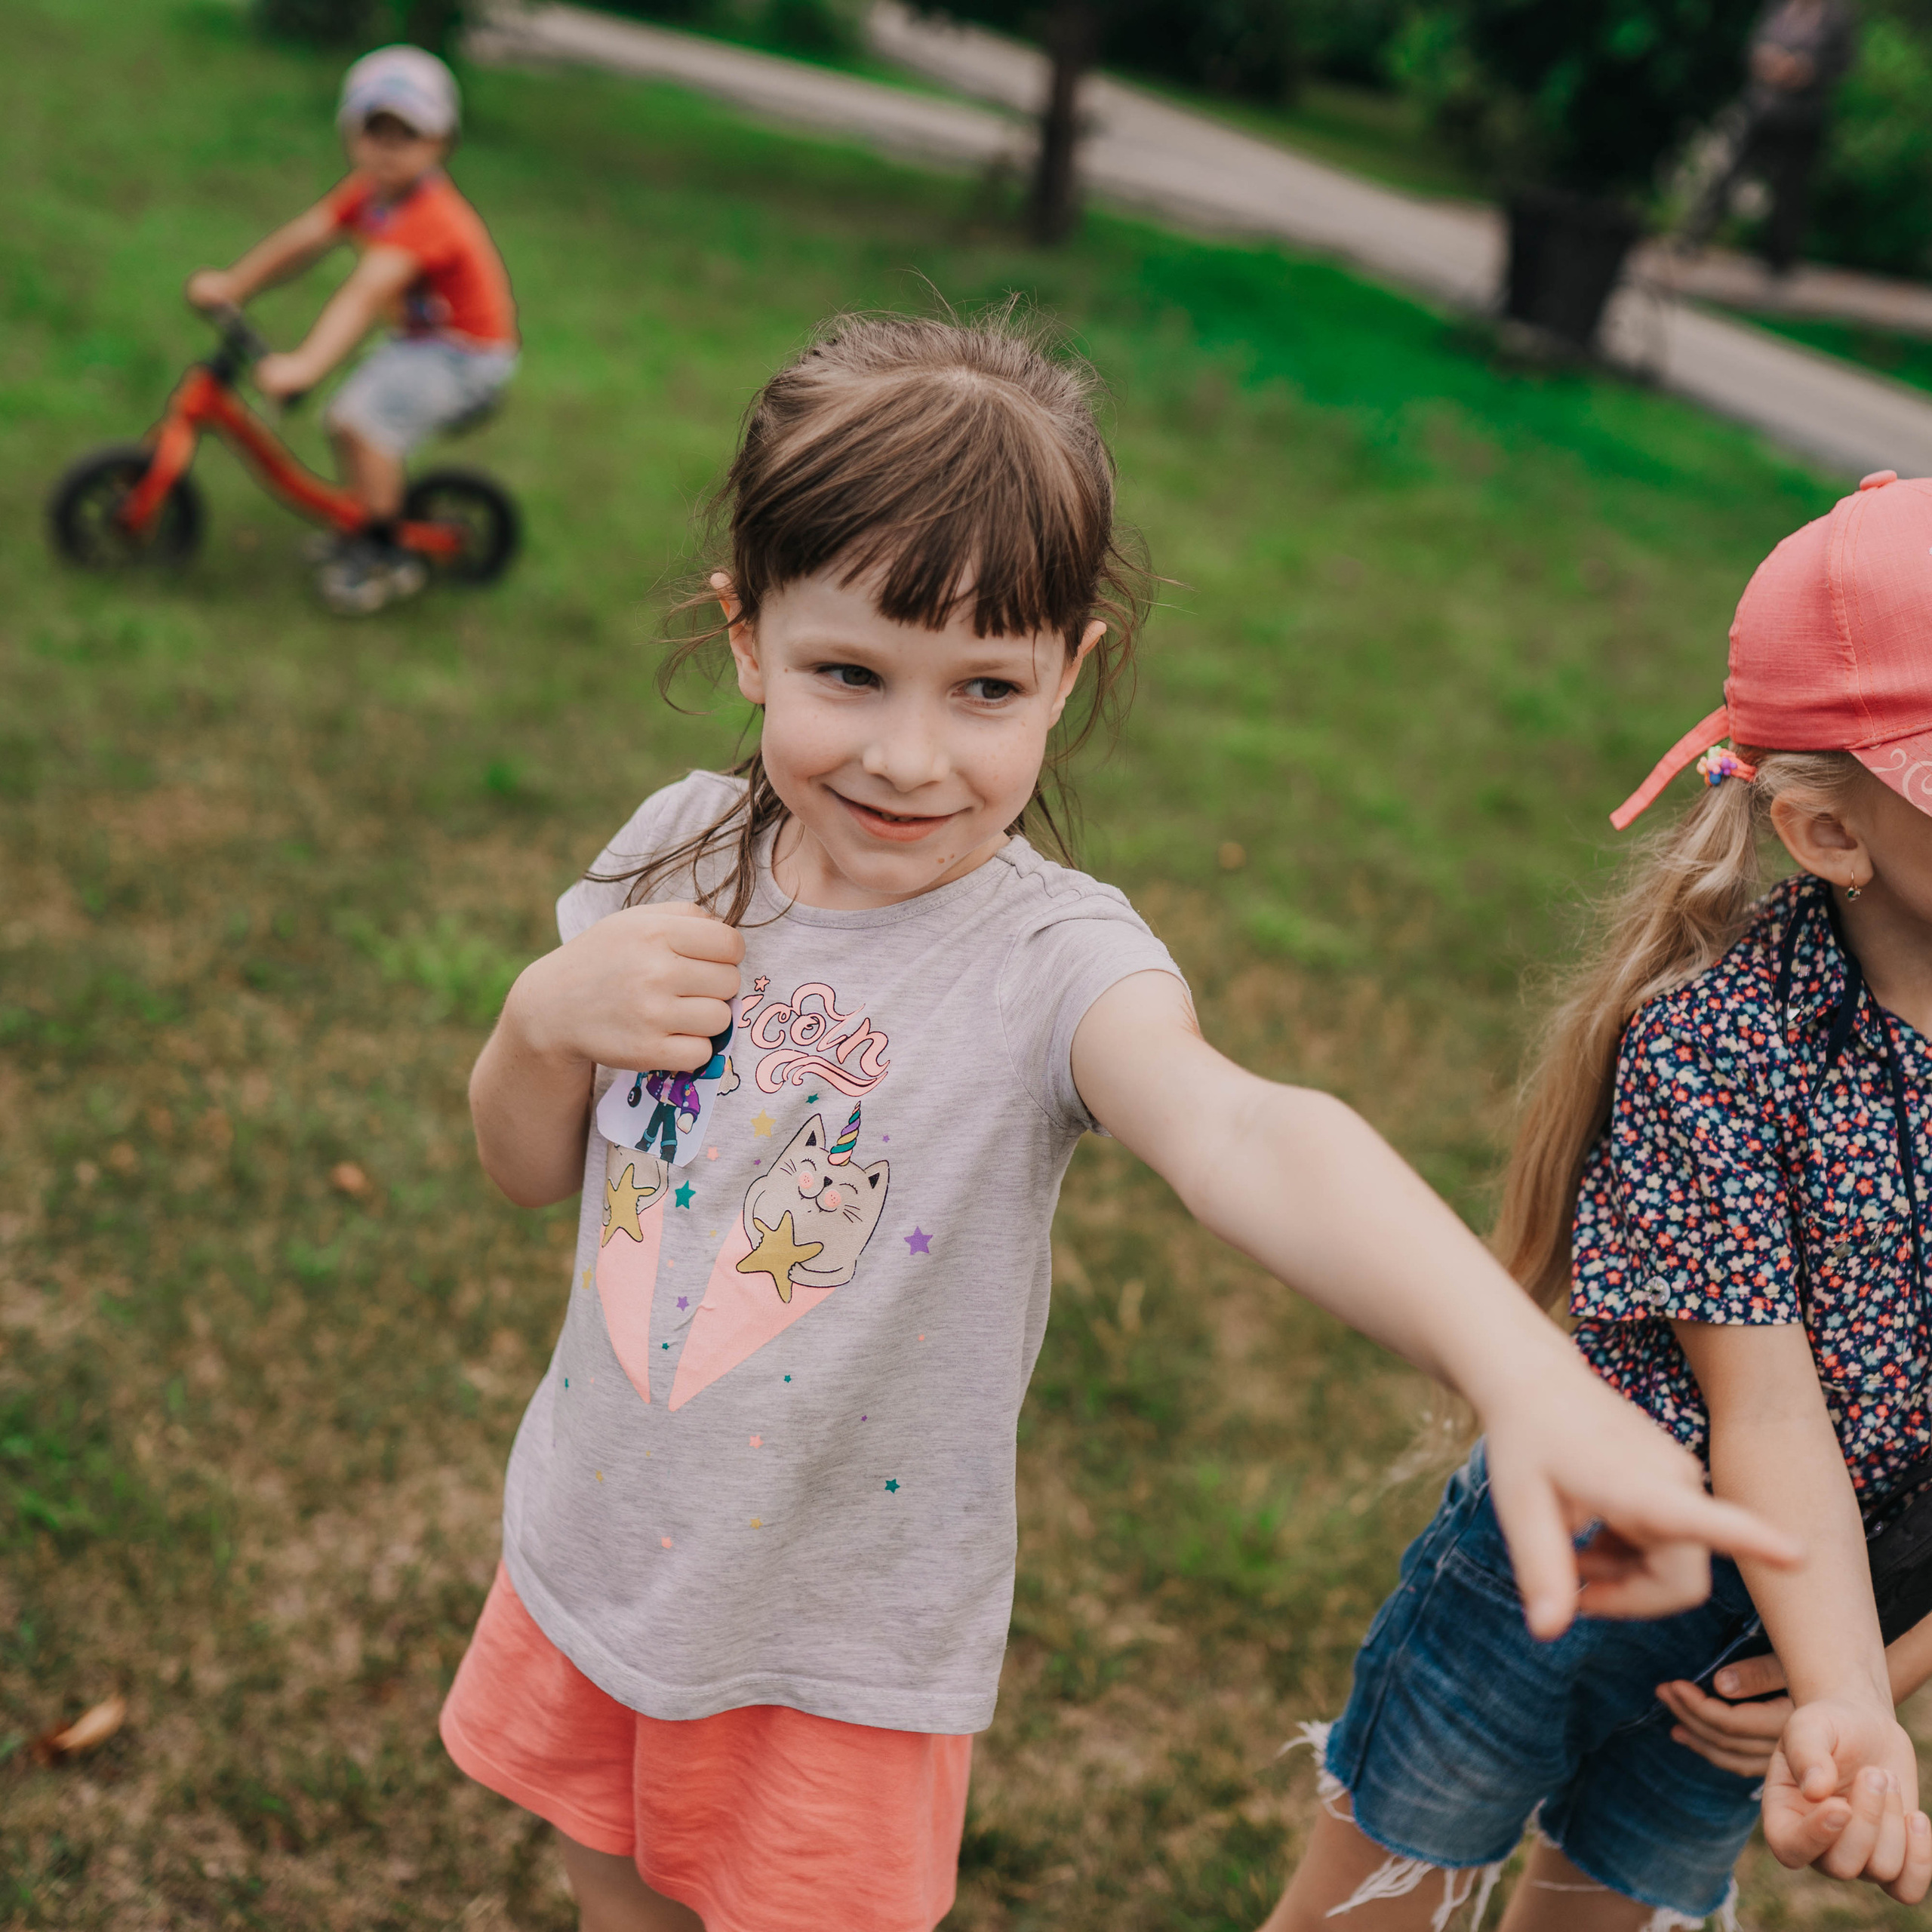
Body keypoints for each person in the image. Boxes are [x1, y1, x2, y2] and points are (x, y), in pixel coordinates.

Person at [445, 309, 1798, 1932]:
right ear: (746, 637)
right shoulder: (673, 848)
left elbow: (1244, 1132)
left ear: (1068, 669)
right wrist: (540, 1017)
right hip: (592, 1550)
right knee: (618, 1893)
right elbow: (529, 1171)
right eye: (847, 671)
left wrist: (1520, 1372)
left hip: (827, 1660)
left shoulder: (1047, 961)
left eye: (985, 688)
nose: (905, 752)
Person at [1266, 469, 1932, 1932]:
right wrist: (1844, 1683)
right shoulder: (1718, 1044)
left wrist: (1859, 1676)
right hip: (1569, 1565)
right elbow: (1763, 1412)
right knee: (1382, 1898)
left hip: (1797, 1625)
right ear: (1830, 835)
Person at [184, 45, 518, 616]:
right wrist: (236, 284)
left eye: (407, 133)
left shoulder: (431, 214)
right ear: (351, 133)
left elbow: (364, 294)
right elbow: (304, 240)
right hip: (422, 342)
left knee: (368, 424)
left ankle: (386, 556)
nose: (388, 145)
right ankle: (365, 519)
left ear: (440, 144)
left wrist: (305, 366)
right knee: (343, 420)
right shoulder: (367, 194)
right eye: (374, 128)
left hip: (467, 357)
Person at [1683, 0, 1857, 275]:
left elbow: (1843, 62)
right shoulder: (1777, 8)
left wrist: (1806, 69)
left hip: (1802, 118)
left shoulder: (1835, 18)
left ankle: (1778, 260)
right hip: (1762, 109)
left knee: (1791, 189)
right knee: (1729, 174)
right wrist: (1766, 61)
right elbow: (1753, 44)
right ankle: (1693, 237)